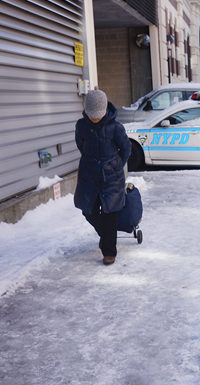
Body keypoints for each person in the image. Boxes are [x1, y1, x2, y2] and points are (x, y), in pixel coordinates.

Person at [74, 89, 132, 265]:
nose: (95, 118)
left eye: (98, 115)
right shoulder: (81, 126)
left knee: (110, 215)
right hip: (89, 175)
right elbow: (81, 146)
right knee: (88, 210)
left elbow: (126, 149)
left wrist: (115, 167)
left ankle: (109, 252)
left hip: (111, 177)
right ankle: (106, 236)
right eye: (92, 115)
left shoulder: (116, 127)